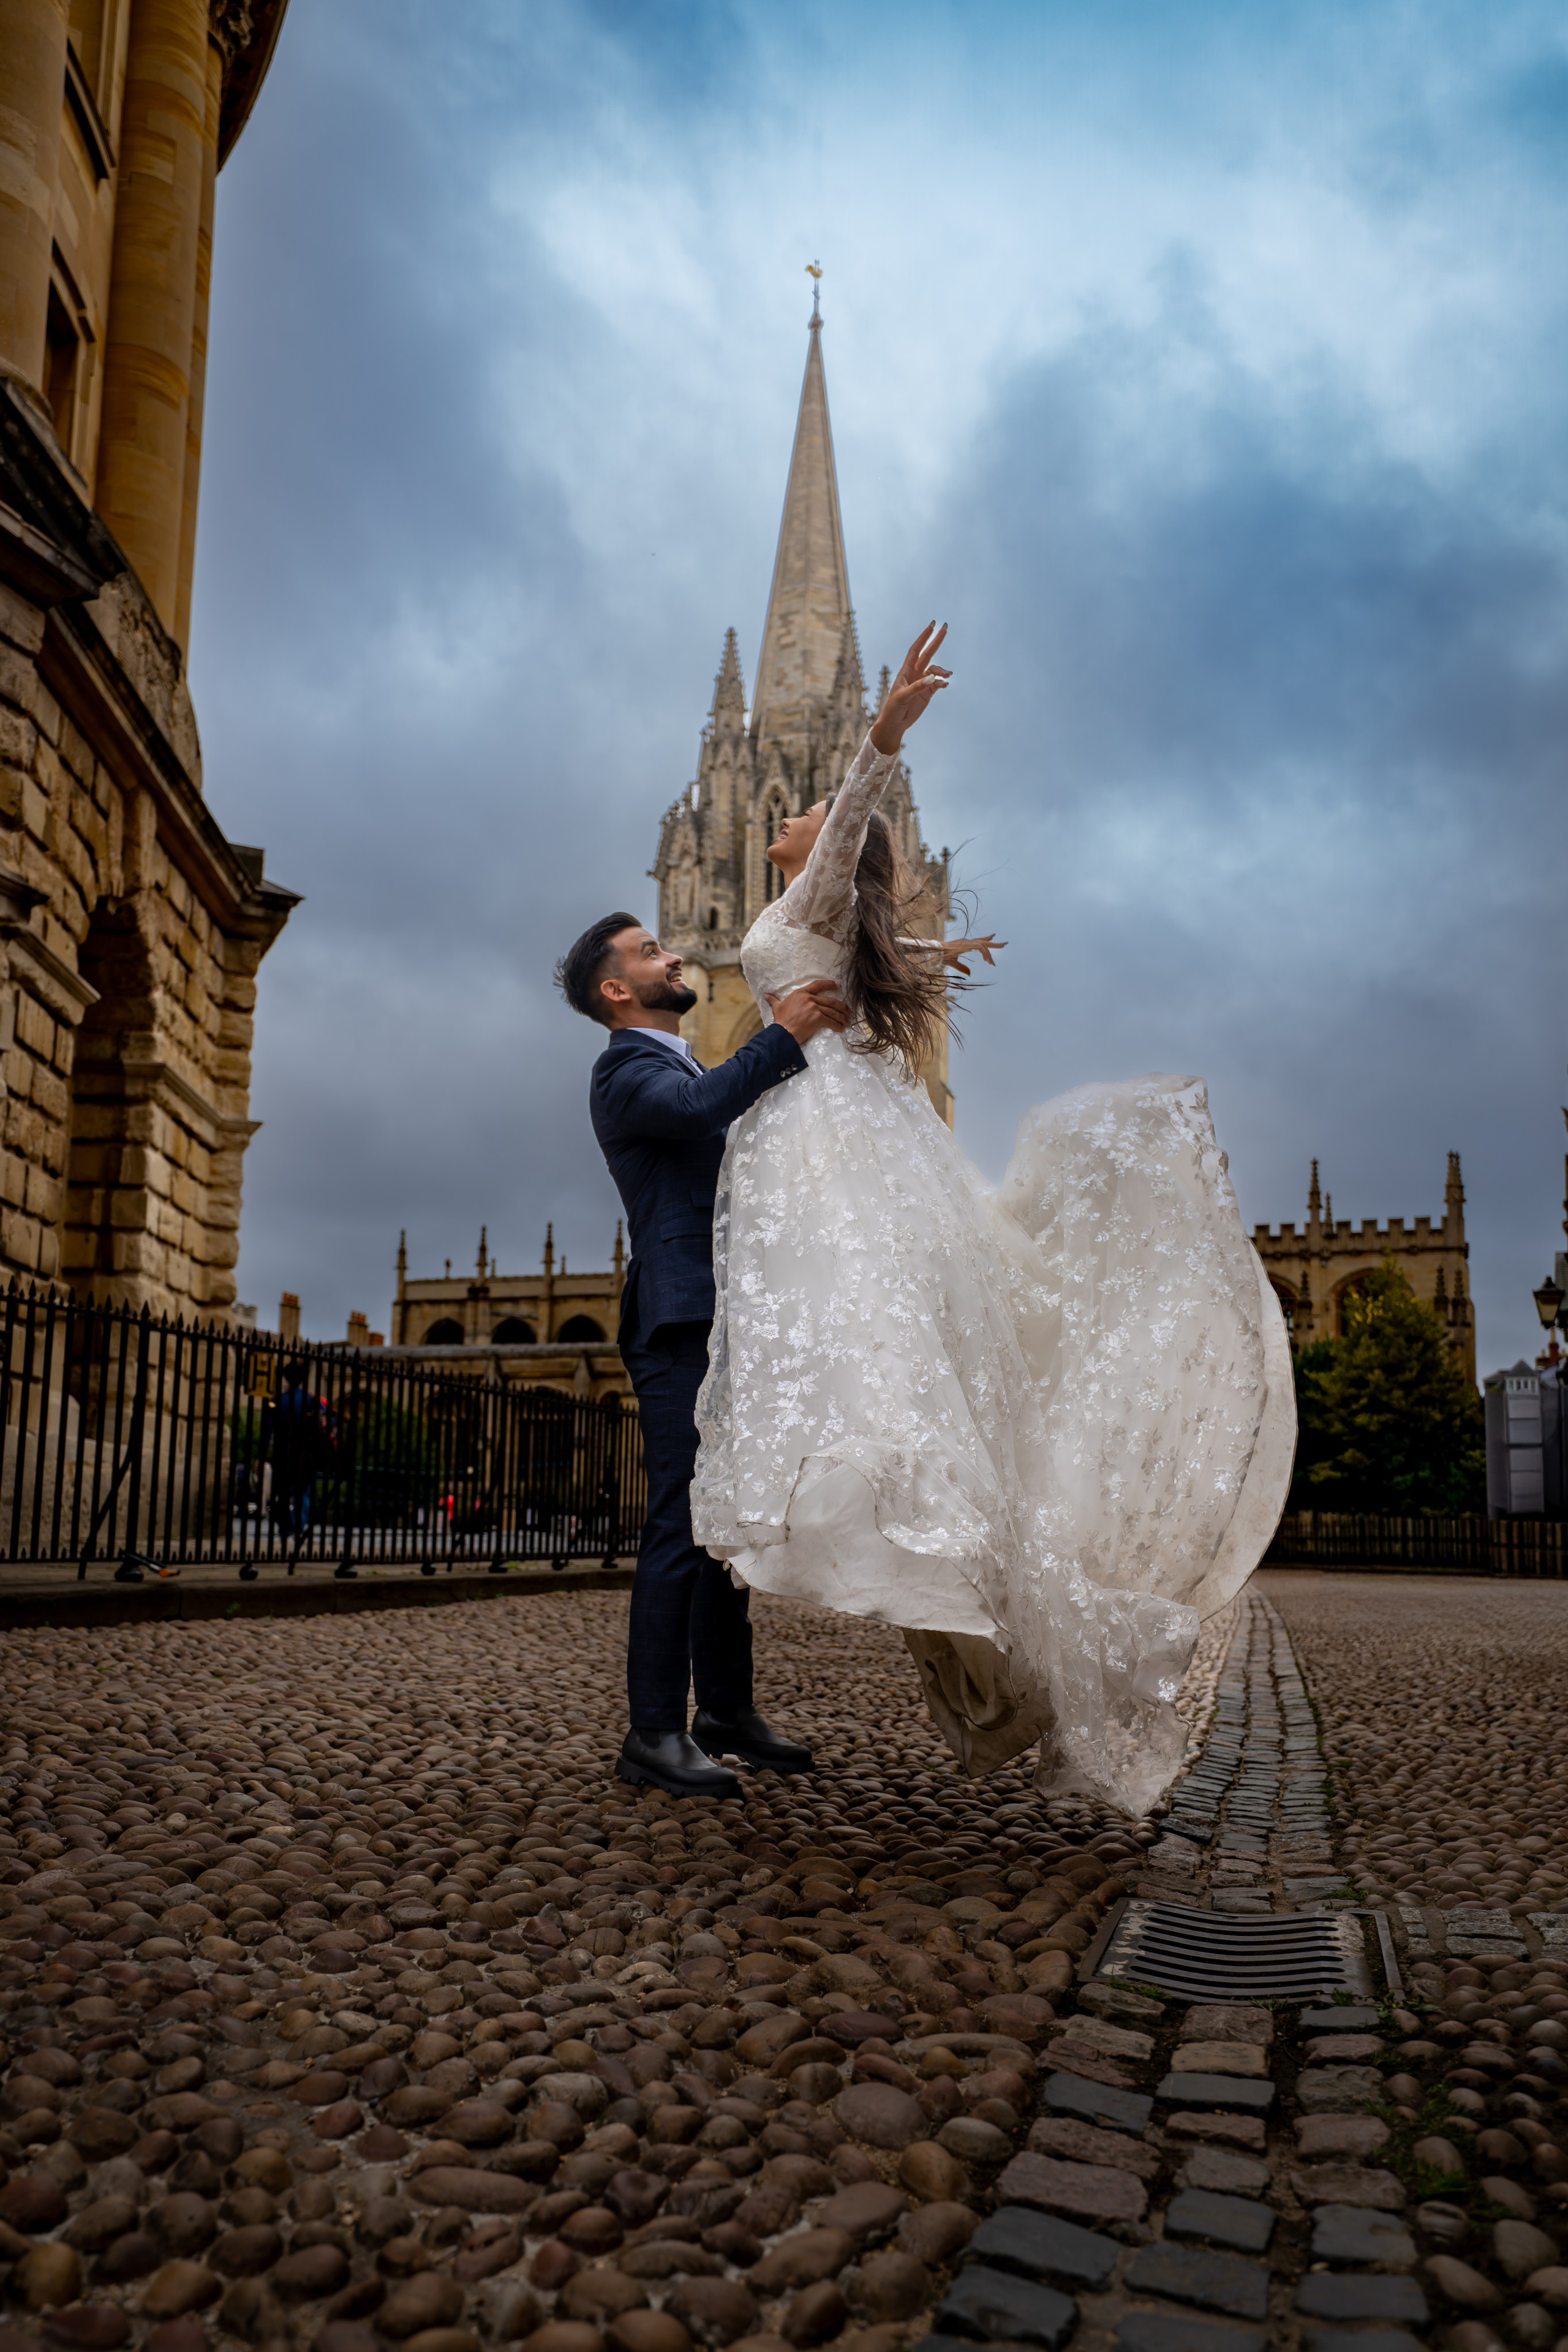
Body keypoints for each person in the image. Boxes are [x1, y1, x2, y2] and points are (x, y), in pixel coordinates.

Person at [689, 622, 1296, 1816]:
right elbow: (874, 934)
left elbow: (857, 811)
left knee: (883, 1377)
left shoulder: (806, 900)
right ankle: (975, 1593)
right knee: (926, 1397)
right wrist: (929, 941)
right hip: (850, 1149)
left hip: (837, 1158)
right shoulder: (820, 927)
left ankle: (904, 1530)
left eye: (810, 813)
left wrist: (882, 732)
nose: (793, 814)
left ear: (838, 850)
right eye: (788, 801)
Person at [557, 912, 849, 1798]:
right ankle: (653, 1730)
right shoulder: (626, 1069)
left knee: (724, 1524)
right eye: (650, 952)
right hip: (681, 1320)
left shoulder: (672, 1059)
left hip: (724, 1318)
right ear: (616, 990)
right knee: (684, 1521)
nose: (672, 954)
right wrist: (784, 1035)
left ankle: (725, 1710)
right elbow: (698, 1108)